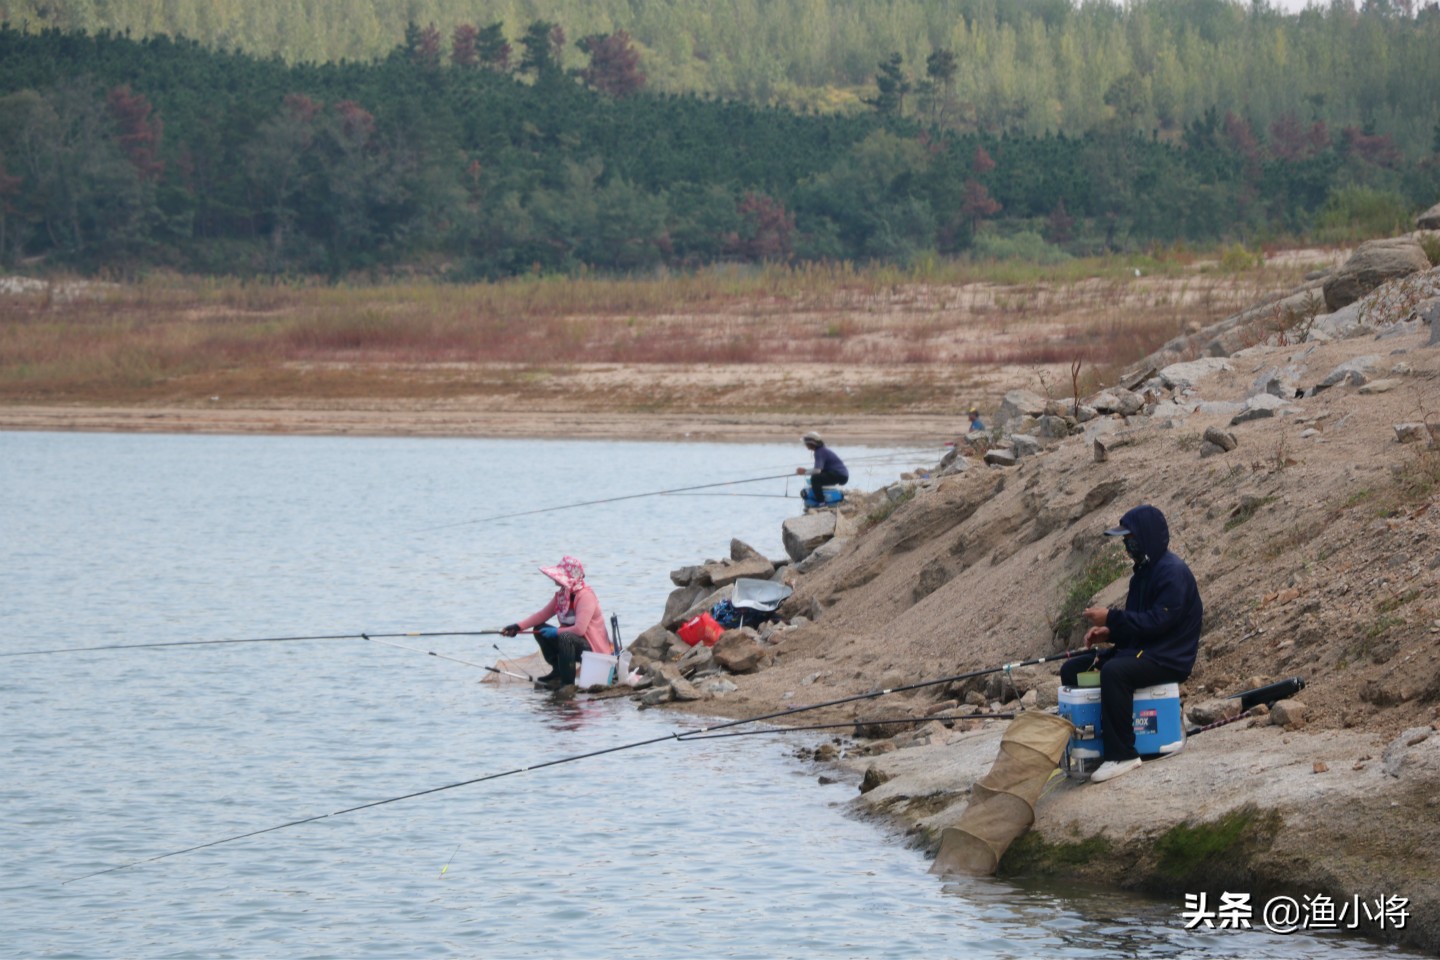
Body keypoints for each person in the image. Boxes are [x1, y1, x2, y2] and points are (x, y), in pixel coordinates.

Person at [1059, 505, 1203, 783]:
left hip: (1168, 658)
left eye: (1130, 539)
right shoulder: (1142, 573)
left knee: (1115, 673)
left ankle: (1123, 754)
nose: (1127, 545)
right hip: (1143, 651)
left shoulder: (1173, 573)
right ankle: (1092, 746)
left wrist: (1111, 617)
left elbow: (1157, 623)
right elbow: (1139, 625)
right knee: (1074, 669)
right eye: (1125, 540)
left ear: (1147, 537)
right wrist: (1109, 633)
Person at [501, 556, 613, 689]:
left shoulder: (585, 596)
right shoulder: (562, 595)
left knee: (565, 637)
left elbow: (580, 630)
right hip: (573, 644)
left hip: (594, 651)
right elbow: (542, 615)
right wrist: (518, 627)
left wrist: (555, 632)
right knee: (539, 628)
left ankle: (567, 684)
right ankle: (557, 672)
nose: (554, 578)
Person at [796, 431, 849, 504]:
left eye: (807, 443)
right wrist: (806, 471)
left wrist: (804, 472)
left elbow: (817, 471)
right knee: (817, 477)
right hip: (840, 475)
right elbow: (819, 470)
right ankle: (825, 498)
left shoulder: (819, 452)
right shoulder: (821, 450)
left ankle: (821, 502)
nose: (806, 445)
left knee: (815, 478)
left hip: (840, 475)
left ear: (811, 443)